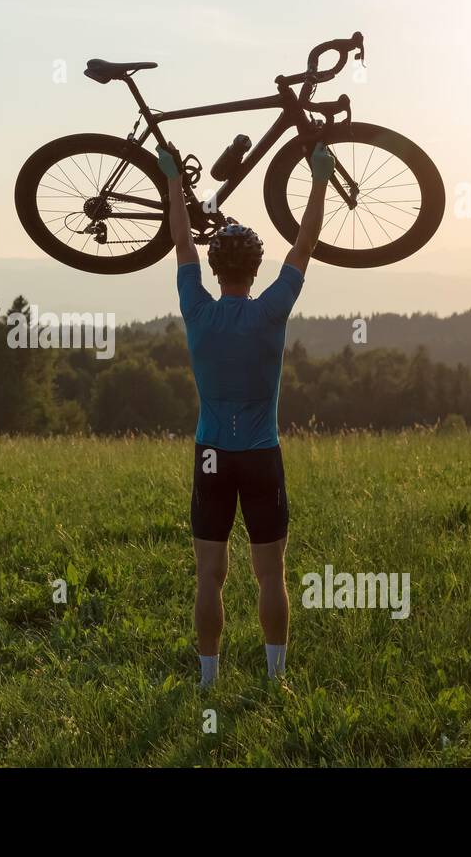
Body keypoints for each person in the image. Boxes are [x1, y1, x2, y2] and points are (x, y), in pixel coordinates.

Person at [156, 140, 335, 688]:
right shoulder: (271, 312)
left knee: (208, 576)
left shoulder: (196, 309)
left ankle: (208, 681)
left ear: (214, 268)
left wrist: (170, 181)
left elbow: (181, 239)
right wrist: (321, 178)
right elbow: (303, 247)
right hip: (261, 454)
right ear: (256, 270)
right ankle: (274, 678)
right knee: (269, 575)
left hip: (211, 455)